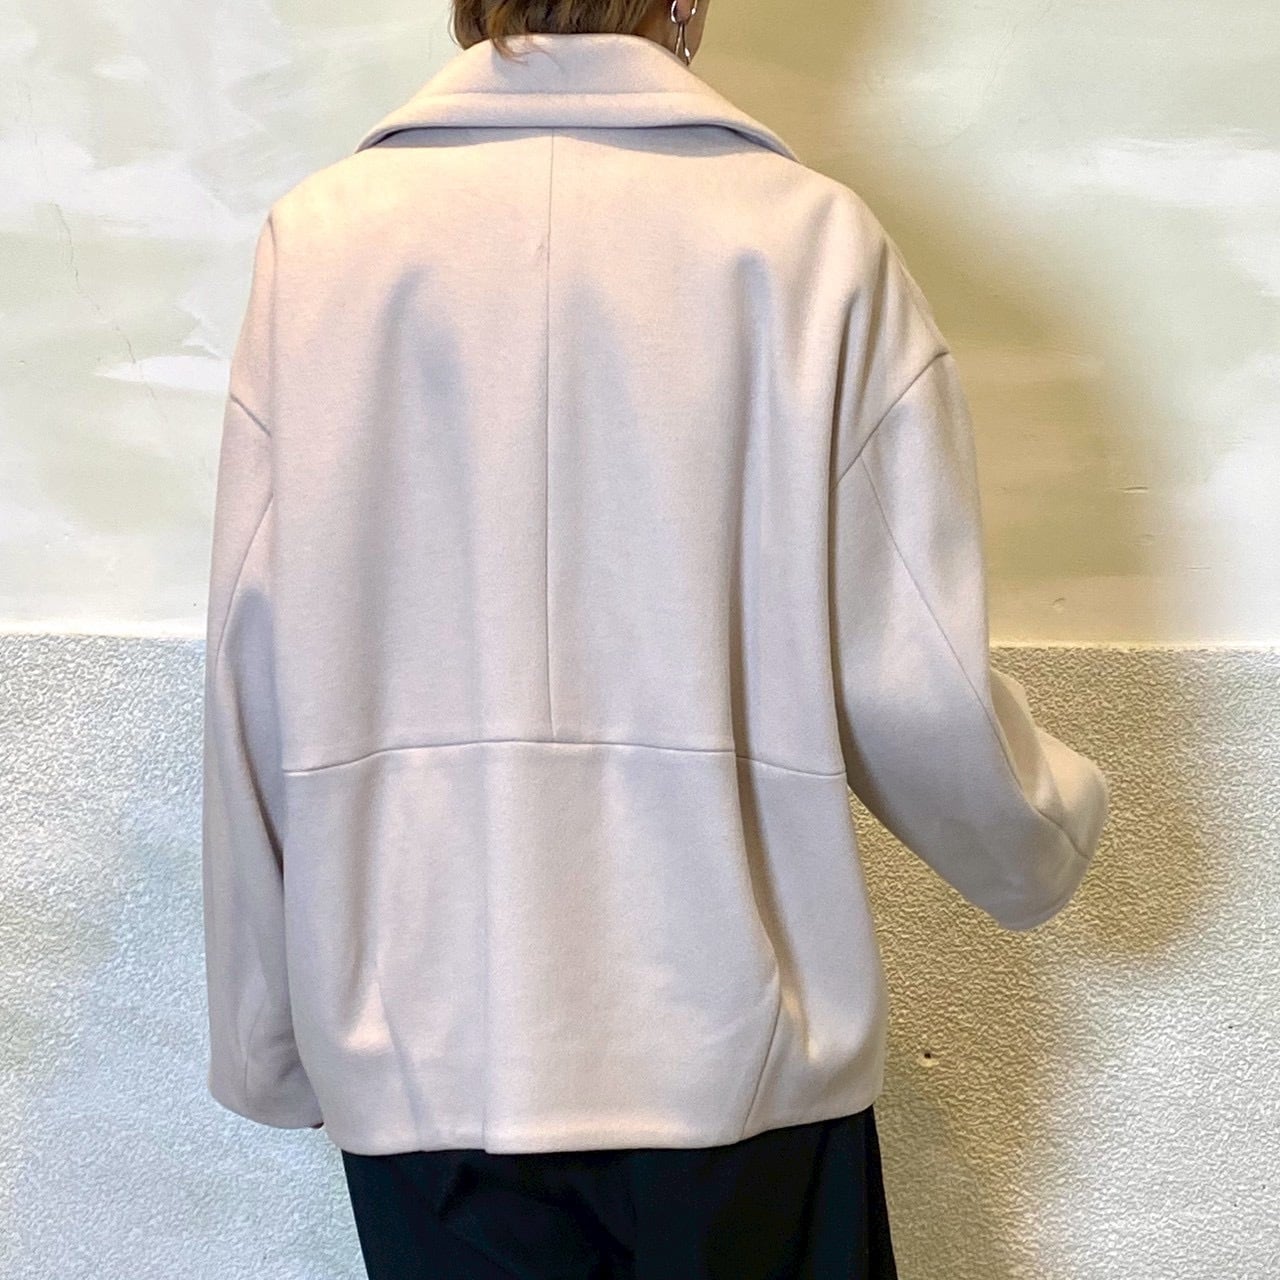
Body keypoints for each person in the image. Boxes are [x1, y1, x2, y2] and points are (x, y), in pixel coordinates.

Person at [201, 1, 1111, 1275]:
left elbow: (253, 662)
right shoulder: (807, 244)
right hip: (728, 1040)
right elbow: (913, 673)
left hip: (422, 1040)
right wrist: (1039, 834)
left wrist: (267, 1028)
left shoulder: (322, 244)